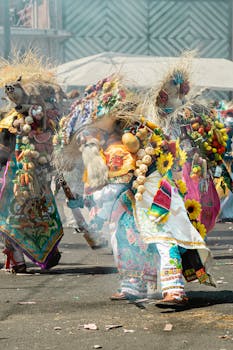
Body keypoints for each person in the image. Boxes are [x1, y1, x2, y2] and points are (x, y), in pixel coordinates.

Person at [55, 73, 215, 305]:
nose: (88, 134)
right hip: (129, 197)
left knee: (162, 235)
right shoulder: (102, 146)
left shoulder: (138, 128)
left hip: (154, 189)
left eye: (93, 124)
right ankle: (132, 285)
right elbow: (106, 181)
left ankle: (174, 289)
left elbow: (126, 174)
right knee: (125, 238)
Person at [0, 54, 65, 273]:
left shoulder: (39, 115)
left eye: (14, 89)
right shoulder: (12, 117)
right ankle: (19, 260)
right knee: (13, 217)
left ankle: (43, 255)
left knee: (33, 217)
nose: (10, 93)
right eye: (8, 90)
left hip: (31, 176)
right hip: (19, 176)